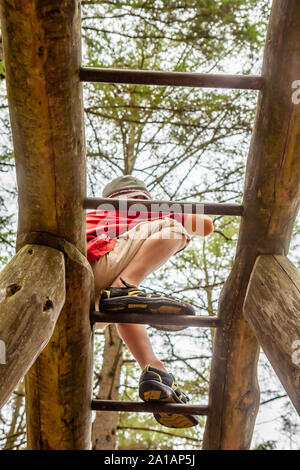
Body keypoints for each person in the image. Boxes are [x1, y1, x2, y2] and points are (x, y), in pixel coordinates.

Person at [87, 175, 214, 428]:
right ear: (139, 197)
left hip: (66, 285)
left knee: (125, 306)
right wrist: (166, 209)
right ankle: (124, 287)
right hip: (97, 261)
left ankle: (155, 371)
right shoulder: (141, 210)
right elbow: (206, 225)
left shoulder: (89, 216)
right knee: (174, 229)